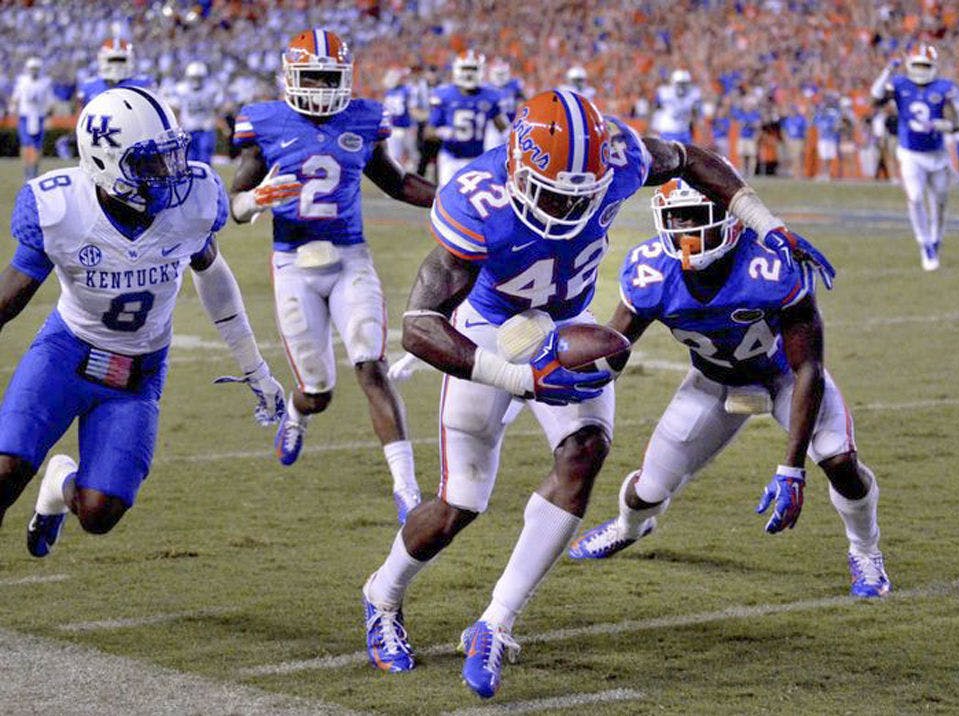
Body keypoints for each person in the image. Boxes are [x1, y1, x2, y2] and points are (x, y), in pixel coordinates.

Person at [360, 88, 833, 698]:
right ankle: (383, 593)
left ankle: (496, 622)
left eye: (581, 196)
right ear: (516, 168)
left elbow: (691, 158)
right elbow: (419, 326)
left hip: (564, 326)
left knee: (585, 450)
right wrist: (521, 377)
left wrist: (765, 222)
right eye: (554, 193)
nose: (567, 208)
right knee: (461, 503)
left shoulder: (621, 156)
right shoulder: (476, 198)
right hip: (489, 332)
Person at [568, 180, 888, 601]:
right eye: (675, 219)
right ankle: (630, 526)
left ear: (730, 220)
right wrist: (563, 370)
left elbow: (808, 366)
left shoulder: (771, 265)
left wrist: (791, 468)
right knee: (648, 490)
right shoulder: (651, 272)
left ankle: (866, 551)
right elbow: (615, 348)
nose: (685, 231)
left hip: (783, 379)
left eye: (695, 217)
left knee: (839, 458)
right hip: (712, 384)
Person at [0, 87, 284, 558]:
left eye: (171, 156)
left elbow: (212, 276)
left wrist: (254, 367)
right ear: (107, 164)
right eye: (151, 163)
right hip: (65, 353)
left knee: (99, 512)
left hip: (139, 372)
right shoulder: (60, 207)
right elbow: (10, 297)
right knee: (6, 469)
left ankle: (58, 486)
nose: (170, 173)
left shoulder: (194, 198)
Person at [228, 30, 436, 523]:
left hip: (350, 258)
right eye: (312, 76)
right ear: (290, 77)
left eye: (329, 76)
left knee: (371, 363)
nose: (321, 86)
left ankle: (406, 488)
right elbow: (234, 204)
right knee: (317, 391)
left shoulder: (363, 119)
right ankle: (297, 414)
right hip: (293, 264)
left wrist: (452, 198)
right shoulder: (265, 122)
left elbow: (398, 181)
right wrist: (254, 200)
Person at [871, 44, 958, 271]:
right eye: (917, 64)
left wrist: (940, 125)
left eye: (924, 65)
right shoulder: (900, 84)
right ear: (909, 64)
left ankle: (935, 240)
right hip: (910, 152)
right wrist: (887, 71)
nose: (920, 69)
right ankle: (925, 244)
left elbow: (956, 124)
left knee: (939, 202)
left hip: (937, 154)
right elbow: (876, 97)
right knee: (915, 197)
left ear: (933, 66)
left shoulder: (943, 87)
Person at [428, 51, 508, 185]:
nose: (469, 73)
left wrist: (513, 138)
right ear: (457, 69)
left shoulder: (490, 95)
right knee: (446, 198)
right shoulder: (444, 95)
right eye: (465, 68)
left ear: (481, 70)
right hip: (450, 159)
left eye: (473, 68)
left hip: (477, 158)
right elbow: (429, 131)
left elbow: (502, 126)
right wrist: (442, 132)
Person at [170, 61, 223, 166]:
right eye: (194, 78)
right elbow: (176, 108)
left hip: (206, 127)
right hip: (188, 127)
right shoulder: (181, 89)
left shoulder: (212, 89)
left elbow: (218, 107)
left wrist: (216, 120)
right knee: (190, 159)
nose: (196, 81)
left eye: (199, 78)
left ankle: (205, 180)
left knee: (205, 156)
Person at [8, 57, 53, 181]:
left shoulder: (45, 82)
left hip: (39, 117)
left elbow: (50, 101)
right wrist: (12, 108)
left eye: (36, 68)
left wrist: (49, 117)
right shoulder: (22, 81)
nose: (33, 71)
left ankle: (34, 171)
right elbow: (16, 97)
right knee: (26, 145)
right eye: (31, 68)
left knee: (37, 146)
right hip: (25, 117)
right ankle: (27, 170)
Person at [78, 38, 156, 107]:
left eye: (121, 60)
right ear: (102, 60)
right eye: (112, 60)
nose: (116, 65)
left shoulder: (144, 84)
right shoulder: (88, 86)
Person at [650, 69, 702, 144]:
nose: (682, 87)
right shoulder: (664, 93)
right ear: (673, 83)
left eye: (684, 84)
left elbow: (696, 115)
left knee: (687, 154)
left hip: (684, 132)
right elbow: (655, 110)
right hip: (668, 131)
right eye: (680, 84)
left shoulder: (693, 94)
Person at [382, 67, 417, 172]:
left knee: (413, 155)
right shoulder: (390, 92)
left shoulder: (407, 90)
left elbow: (411, 108)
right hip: (395, 127)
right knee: (394, 157)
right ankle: (400, 176)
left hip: (406, 127)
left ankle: (412, 176)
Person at [483, 59, 523, 151]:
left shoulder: (514, 85)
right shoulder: (486, 88)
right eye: (498, 74)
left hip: (512, 122)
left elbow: (522, 102)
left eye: (502, 74)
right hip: (493, 126)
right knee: (492, 151)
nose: (500, 77)